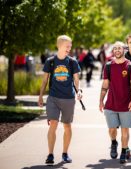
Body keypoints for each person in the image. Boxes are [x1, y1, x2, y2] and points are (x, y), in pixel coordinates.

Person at [38, 35, 82, 165]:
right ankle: (50, 154)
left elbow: (76, 80)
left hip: (68, 98)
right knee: (53, 124)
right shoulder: (50, 61)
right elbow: (45, 80)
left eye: (70, 46)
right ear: (59, 45)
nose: (70, 48)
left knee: (67, 125)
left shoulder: (72, 62)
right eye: (67, 46)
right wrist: (40, 96)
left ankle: (65, 153)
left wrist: (79, 91)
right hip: (53, 98)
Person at [99, 41, 131, 164]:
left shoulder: (130, 67)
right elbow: (105, 85)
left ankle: (124, 151)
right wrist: (101, 101)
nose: (117, 50)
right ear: (113, 51)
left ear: (124, 50)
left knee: (125, 131)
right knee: (112, 130)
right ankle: (114, 142)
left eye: (119, 48)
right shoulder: (108, 66)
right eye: (115, 49)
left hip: (126, 105)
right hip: (111, 104)